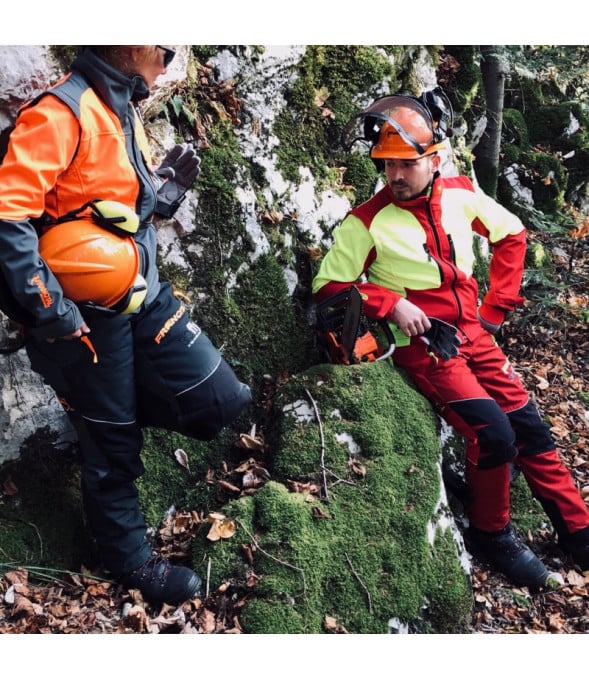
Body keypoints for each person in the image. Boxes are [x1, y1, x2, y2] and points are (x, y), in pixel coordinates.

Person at [0, 46, 251, 605]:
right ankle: (127, 556)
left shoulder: (123, 107)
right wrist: (51, 309)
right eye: (161, 44)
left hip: (145, 293)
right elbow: (9, 215)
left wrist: (159, 195)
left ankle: (109, 413)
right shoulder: (57, 113)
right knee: (111, 445)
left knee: (222, 399)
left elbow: (103, 209)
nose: (170, 54)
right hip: (87, 319)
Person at [312, 88, 589, 588]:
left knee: (528, 426)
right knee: (493, 433)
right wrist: (389, 302)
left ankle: (577, 529)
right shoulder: (367, 222)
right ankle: (492, 533)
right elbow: (327, 286)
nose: (395, 176)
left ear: (432, 159)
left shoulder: (460, 193)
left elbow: (512, 235)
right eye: (386, 165)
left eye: (406, 165)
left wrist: (495, 308)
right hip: (426, 346)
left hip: (475, 334)